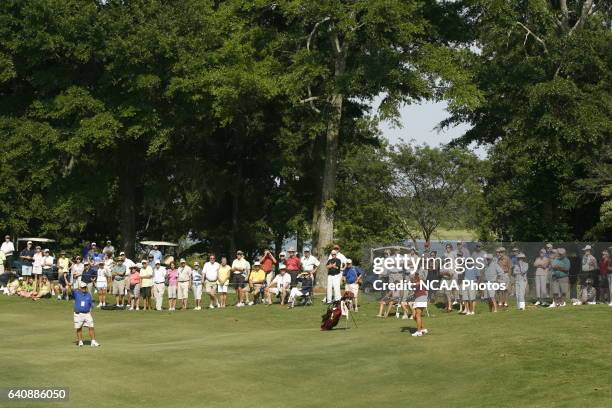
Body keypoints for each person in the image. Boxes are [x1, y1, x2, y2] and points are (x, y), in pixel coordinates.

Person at [73, 280, 100, 347]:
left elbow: (91, 304)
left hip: (87, 314)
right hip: (78, 314)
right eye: (82, 287)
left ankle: (93, 341)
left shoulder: (88, 295)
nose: (84, 288)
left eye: (85, 287)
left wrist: (91, 308)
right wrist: (70, 285)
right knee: (79, 328)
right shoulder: (76, 293)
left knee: (91, 327)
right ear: (80, 288)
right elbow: (70, 291)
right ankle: (80, 341)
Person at [410, 272, 429, 337]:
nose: (411, 278)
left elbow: (417, 284)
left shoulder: (419, 281)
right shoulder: (415, 282)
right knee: (415, 316)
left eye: (412, 277)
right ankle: (423, 329)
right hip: (419, 298)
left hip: (421, 298)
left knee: (417, 315)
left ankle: (419, 332)